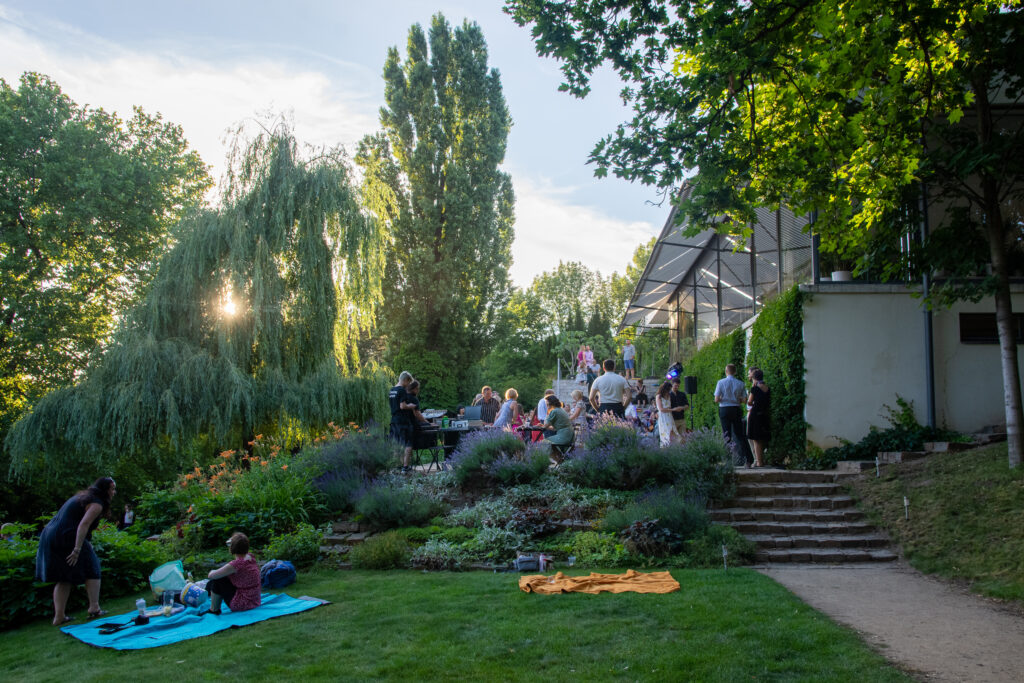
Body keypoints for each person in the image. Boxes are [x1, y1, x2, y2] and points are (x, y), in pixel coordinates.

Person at [35, 477, 116, 625]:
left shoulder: (82, 497)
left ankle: (59, 616)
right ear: (105, 490)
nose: (114, 492)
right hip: (67, 535)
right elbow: (83, 524)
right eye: (112, 489)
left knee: (64, 576)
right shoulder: (96, 504)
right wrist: (77, 549)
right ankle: (94, 607)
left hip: (50, 535)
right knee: (93, 567)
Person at [206, 532, 261, 615]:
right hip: (255, 600)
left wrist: (212, 571)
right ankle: (211, 602)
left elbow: (211, 575)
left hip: (243, 603)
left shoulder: (236, 565)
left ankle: (214, 610)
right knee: (216, 581)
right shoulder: (250, 557)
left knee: (218, 580)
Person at [714, 364, 751, 465]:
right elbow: (744, 400)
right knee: (739, 435)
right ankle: (748, 460)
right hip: (736, 409)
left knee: (726, 435)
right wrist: (735, 398)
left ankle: (727, 460)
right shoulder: (741, 383)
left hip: (724, 409)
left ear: (726, 372)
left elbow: (716, 399)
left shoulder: (720, 382)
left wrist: (724, 398)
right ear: (735, 372)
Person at [389, 371, 417, 472]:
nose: (408, 385)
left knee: (397, 444)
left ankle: (397, 466)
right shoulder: (401, 390)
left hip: (394, 420)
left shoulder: (392, 390)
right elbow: (402, 406)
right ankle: (405, 467)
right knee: (408, 443)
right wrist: (411, 406)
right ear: (405, 380)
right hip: (402, 421)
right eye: (408, 383)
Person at [746, 368, 771, 467]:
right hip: (764, 413)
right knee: (761, 438)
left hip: (755, 414)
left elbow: (749, 402)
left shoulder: (755, 389)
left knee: (755, 439)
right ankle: (761, 460)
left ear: (754, 378)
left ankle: (759, 461)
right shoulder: (767, 388)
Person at [655, 382, 683, 447]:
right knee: (666, 432)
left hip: (669, 416)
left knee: (672, 430)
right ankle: (666, 447)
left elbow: (669, 406)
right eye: (668, 389)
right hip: (663, 416)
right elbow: (661, 409)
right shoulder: (659, 396)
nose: (669, 391)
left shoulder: (669, 396)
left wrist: (675, 409)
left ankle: (675, 446)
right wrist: (673, 410)